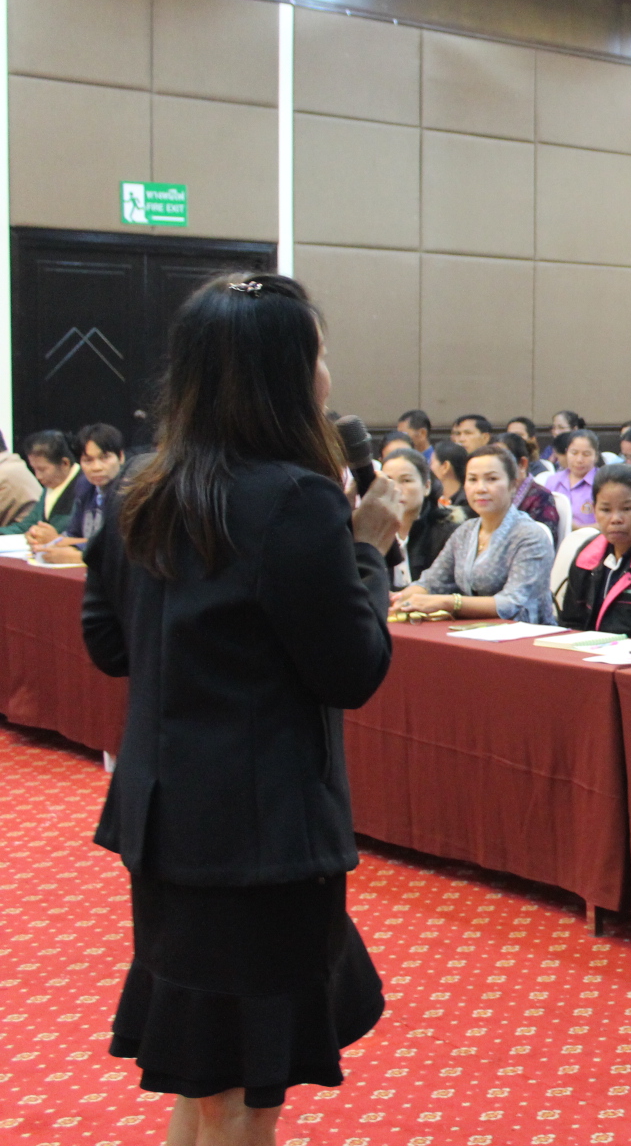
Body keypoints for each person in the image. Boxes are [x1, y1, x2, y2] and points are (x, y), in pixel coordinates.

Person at [81, 272, 400, 1138]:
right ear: (286, 375)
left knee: (211, 1077)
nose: (328, 374)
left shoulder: (140, 486)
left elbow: (108, 645)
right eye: (319, 356)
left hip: (167, 822)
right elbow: (353, 669)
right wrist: (367, 547)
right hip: (261, 837)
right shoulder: (293, 500)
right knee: (248, 1083)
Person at [393, 444, 556, 624]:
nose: (480, 488)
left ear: (513, 485)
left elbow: (512, 603)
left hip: (526, 637)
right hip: (476, 632)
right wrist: (396, 599)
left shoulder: (530, 535)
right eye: (472, 480)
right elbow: (431, 583)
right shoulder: (465, 531)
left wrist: (450, 602)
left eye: (492, 479)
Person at [556, 464, 631, 638]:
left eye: (627, 509)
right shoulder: (587, 554)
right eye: (605, 510)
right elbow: (570, 622)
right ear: (594, 509)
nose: (615, 519)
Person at [31, 423, 128, 564]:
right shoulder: (85, 487)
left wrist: (62, 544)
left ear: (121, 457)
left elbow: (120, 548)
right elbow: (73, 534)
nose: (96, 467)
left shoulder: (130, 492)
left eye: (105, 458)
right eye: (88, 460)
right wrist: (43, 539)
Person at [379, 448, 458, 591]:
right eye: (389, 480)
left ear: (426, 487)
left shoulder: (447, 532)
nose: (396, 488)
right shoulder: (371, 532)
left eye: (406, 480)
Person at [0, 430, 82, 538]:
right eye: (34, 469)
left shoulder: (86, 487)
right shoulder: (50, 487)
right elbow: (25, 526)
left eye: (42, 469)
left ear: (65, 463)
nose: (38, 476)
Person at [498, 431, 564, 545]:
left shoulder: (542, 498)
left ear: (522, 464)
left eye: (503, 461)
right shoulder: (491, 495)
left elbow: (544, 543)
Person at [539, 428, 600, 526]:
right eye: (574, 453)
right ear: (567, 452)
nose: (579, 460)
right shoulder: (553, 481)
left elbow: (609, 523)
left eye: (586, 454)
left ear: (596, 456)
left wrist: (576, 528)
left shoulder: (604, 483)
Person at [428, 440, 469, 513]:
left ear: (445, 467)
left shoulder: (468, 502)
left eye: (431, 463)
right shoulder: (431, 499)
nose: (429, 468)